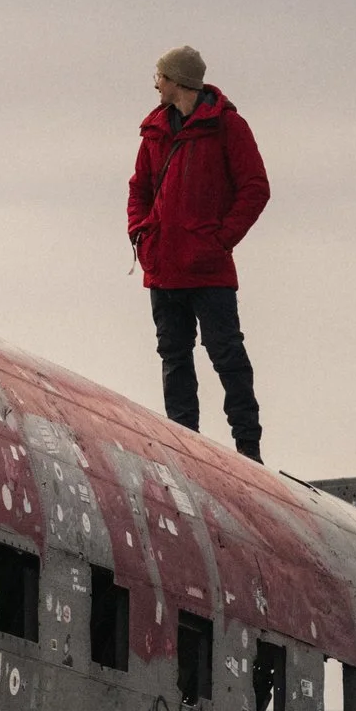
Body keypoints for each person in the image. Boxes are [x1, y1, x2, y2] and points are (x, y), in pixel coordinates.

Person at [126, 46, 271, 462]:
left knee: (226, 354)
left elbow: (255, 188)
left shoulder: (228, 126)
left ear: (177, 80)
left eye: (159, 76)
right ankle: (184, 445)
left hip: (208, 267)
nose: (155, 84)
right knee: (174, 356)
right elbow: (139, 187)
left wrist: (220, 240)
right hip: (163, 266)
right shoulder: (155, 129)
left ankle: (248, 447)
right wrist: (140, 232)